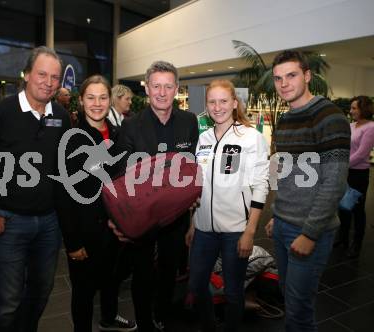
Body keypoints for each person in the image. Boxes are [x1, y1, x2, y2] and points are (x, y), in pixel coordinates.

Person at [0, 46, 71, 332]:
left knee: (40, 295)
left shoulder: (61, 115)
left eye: (54, 77)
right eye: (42, 74)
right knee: (8, 305)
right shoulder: (0, 113)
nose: (48, 82)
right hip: (8, 224)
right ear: (26, 75)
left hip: (49, 224)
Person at [109, 60, 199, 332]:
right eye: (156, 86)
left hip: (176, 217)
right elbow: (121, 177)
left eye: (168, 86)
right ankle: (145, 322)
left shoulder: (189, 121)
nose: (162, 92)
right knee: (143, 274)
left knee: (170, 271)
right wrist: (118, 220)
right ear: (146, 88)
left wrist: (192, 218)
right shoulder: (130, 126)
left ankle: (161, 314)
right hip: (142, 217)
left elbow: (192, 167)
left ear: (176, 89)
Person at [265, 50, 350, 332]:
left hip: (310, 231)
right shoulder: (286, 118)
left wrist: (309, 233)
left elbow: (334, 182)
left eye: (291, 75)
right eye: (278, 78)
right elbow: (285, 173)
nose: (284, 83)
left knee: (300, 311)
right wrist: (277, 214)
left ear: (307, 75)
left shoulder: (329, 116)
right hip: (283, 225)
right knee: (290, 301)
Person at [55, 75, 136, 332]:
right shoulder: (71, 137)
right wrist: (72, 242)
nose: (97, 103)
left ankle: (109, 318)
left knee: (111, 280)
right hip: (84, 230)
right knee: (84, 291)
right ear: (81, 101)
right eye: (91, 97)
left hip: (113, 226)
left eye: (103, 97)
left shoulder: (116, 134)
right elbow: (62, 194)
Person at [188, 79, 269, 332]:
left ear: (234, 103)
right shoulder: (203, 139)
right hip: (203, 228)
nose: (217, 107)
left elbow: (261, 185)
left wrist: (250, 231)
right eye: (212, 101)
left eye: (223, 101)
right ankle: (210, 326)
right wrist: (192, 224)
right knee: (197, 285)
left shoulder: (251, 138)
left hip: (236, 229)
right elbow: (198, 184)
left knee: (234, 291)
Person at [336, 96, 374, 258]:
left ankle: (356, 244)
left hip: (358, 173)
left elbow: (361, 154)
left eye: (354, 108)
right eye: (351, 108)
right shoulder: (351, 125)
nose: (350, 111)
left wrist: (342, 165)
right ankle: (343, 238)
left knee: (357, 209)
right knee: (343, 207)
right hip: (345, 171)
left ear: (363, 109)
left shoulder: (371, 127)